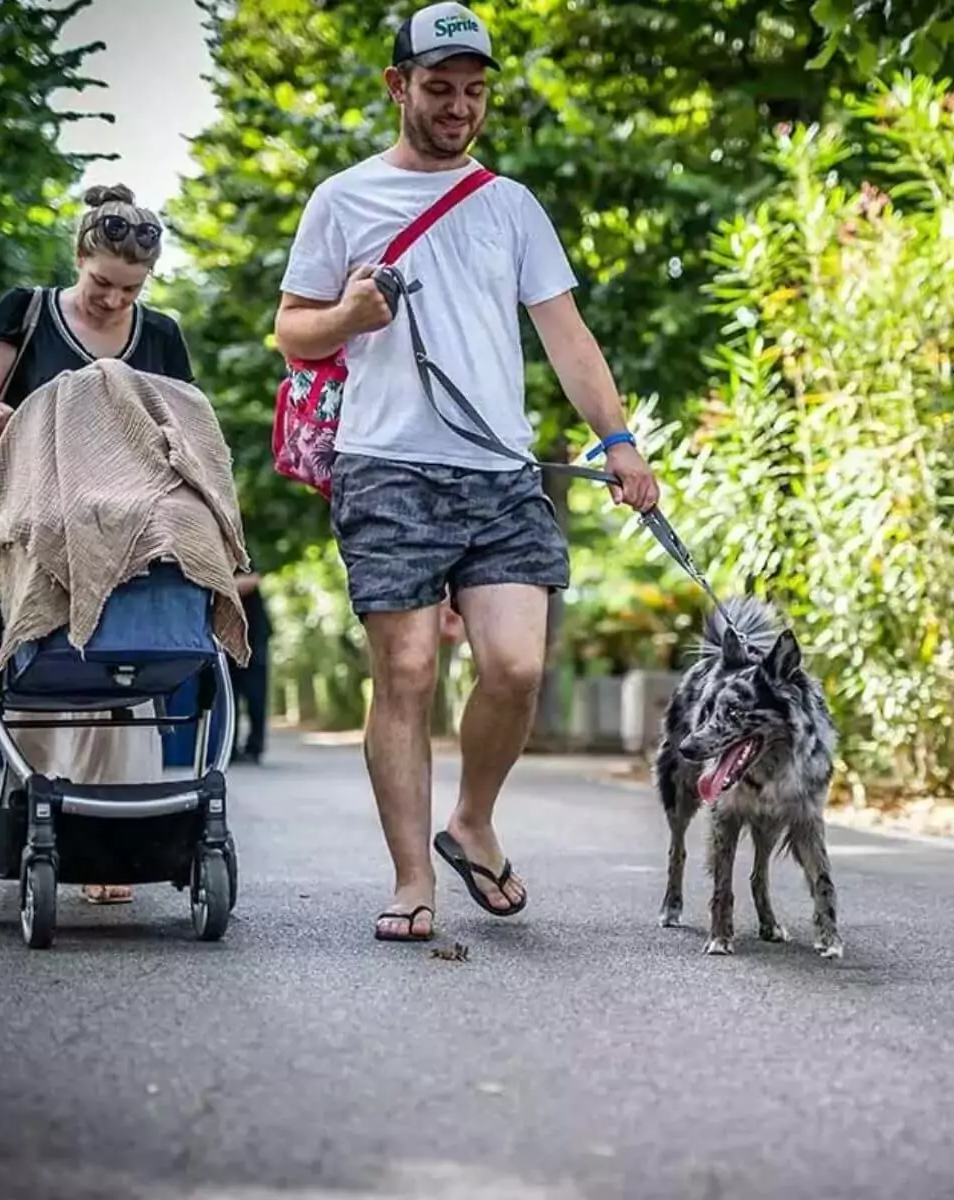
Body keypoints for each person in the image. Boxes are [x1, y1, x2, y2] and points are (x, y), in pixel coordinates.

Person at [274, 1, 660, 943]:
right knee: (405, 671)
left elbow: (567, 337)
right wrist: (349, 318)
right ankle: (413, 879)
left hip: (497, 469)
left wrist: (617, 442)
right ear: (396, 86)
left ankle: (472, 819)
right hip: (387, 464)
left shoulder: (511, 205)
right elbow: (291, 330)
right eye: (439, 87)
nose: (458, 107)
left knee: (517, 667)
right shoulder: (343, 199)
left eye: (474, 91)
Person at [0, 182, 197, 905]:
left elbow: (181, 427)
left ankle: (109, 840)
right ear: (79, 256)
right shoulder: (26, 310)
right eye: (101, 284)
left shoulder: (162, 334)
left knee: (128, 648)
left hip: (123, 519)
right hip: (33, 509)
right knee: (55, 627)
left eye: (130, 289)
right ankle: (54, 821)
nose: (114, 301)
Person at [231, 571, 272, 764]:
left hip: (253, 636)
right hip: (228, 638)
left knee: (256, 696)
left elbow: (253, 579)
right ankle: (230, 747)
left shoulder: (239, 549)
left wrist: (223, 587)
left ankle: (255, 746)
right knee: (230, 696)